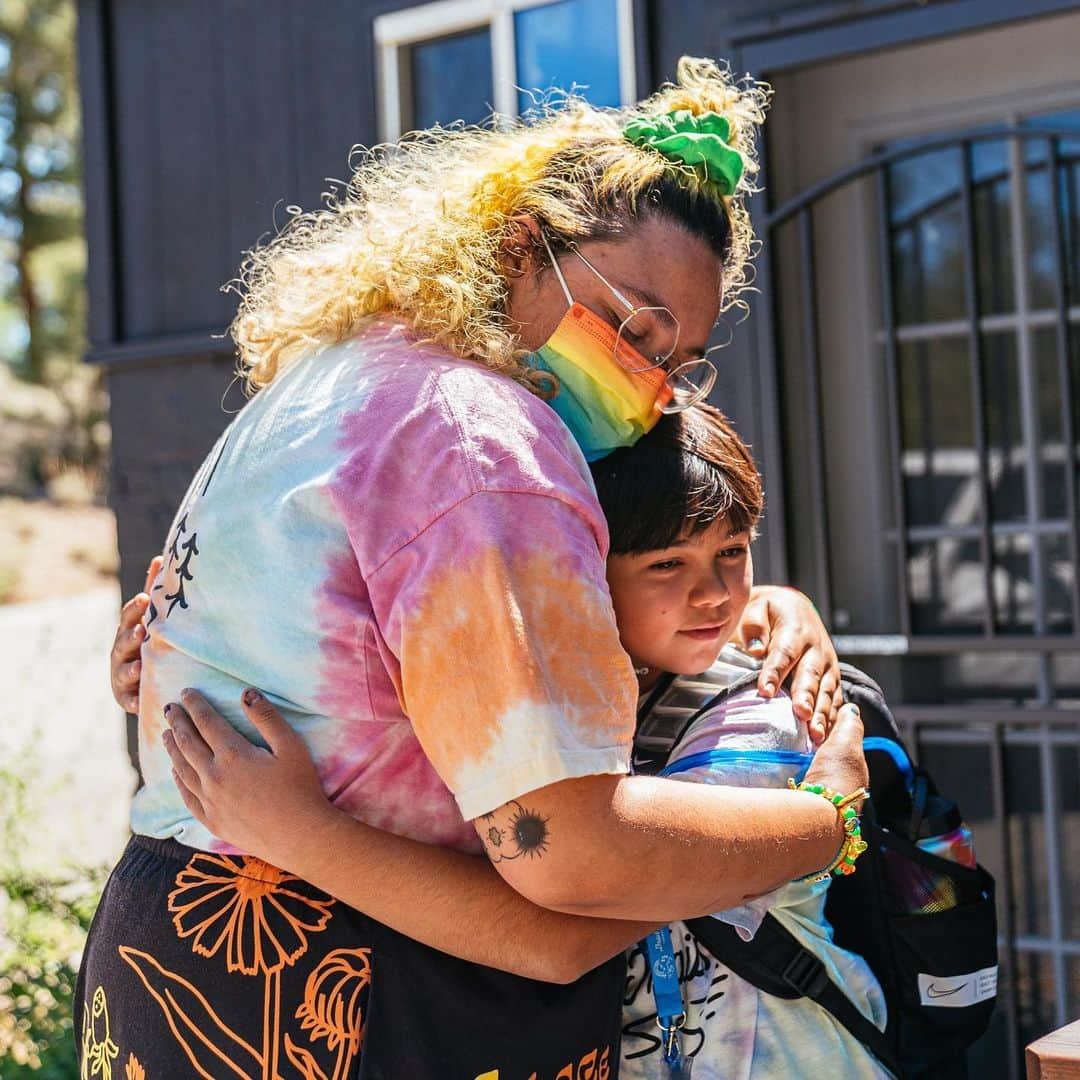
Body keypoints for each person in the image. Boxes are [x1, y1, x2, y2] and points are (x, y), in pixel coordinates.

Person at [84, 57, 867, 1078]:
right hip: (355, 987)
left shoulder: (344, 376)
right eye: (631, 325)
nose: (647, 380)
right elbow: (571, 865)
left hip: (178, 952)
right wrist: (829, 822)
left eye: (675, 359)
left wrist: (764, 603)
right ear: (517, 249)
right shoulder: (484, 438)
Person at [156, 404, 887, 1078]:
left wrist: (301, 835)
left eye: (735, 552)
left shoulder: (763, 717)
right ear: (584, 574)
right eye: (667, 563)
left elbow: (563, 937)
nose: (717, 594)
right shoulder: (586, 700)